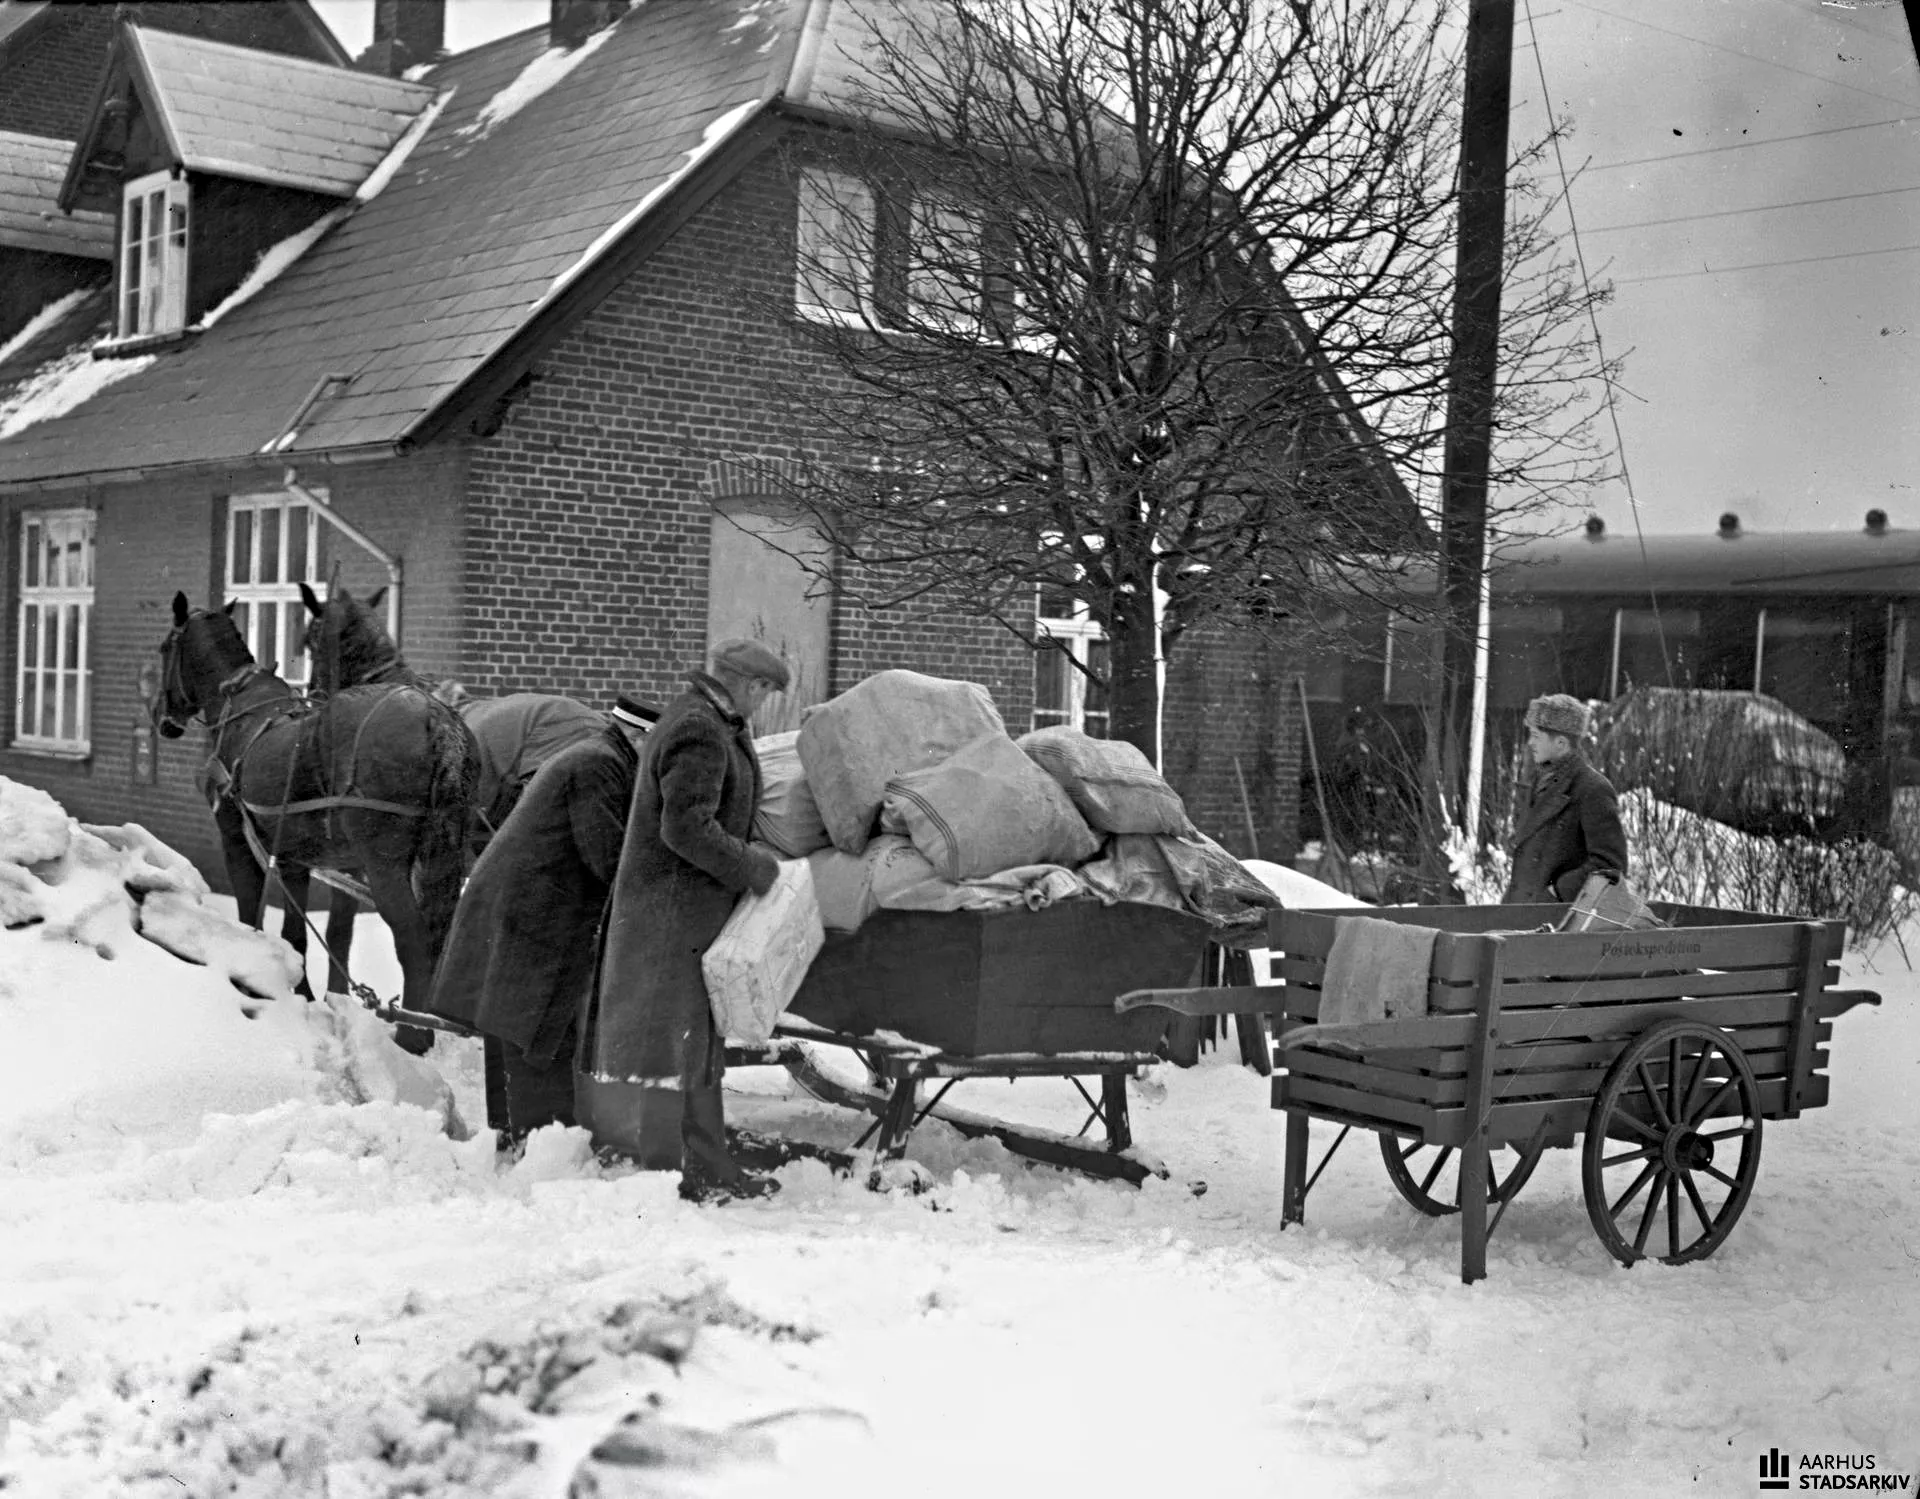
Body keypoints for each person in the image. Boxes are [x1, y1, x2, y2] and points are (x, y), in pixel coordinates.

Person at [582, 638, 789, 1202]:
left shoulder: (710, 722)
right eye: (767, 692)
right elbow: (685, 827)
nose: (765, 704)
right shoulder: (699, 729)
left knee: (692, 1043)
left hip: (686, 913)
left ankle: (705, 1166)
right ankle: (673, 1174)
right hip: (671, 915)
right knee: (674, 1044)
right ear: (750, 686)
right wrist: (752, 867)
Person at [425, 693, 662, 1146]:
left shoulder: (603, 757)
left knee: (511, 1024)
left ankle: (514, 1136)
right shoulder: (599, 765)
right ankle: (542, 1145)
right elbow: (607, 857)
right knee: (535, 1031)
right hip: (529, 912)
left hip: (522, 904)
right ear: (638, 736)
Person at [1503, 693, 1629, 905]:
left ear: (1561, 743)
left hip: (1558, 920)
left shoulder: (1592, 789)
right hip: (1522, 914)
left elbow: (1610, 864)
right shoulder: (1541, 782)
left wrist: (1558, 891)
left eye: (1535, 736)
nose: (1530, 743)